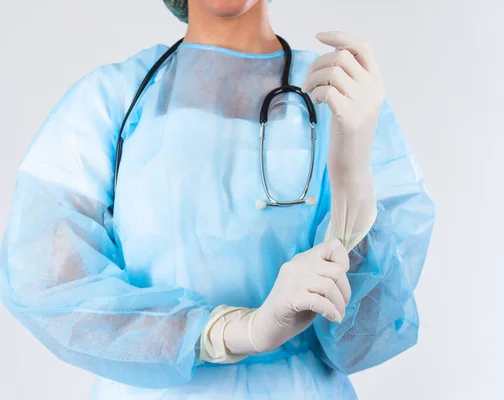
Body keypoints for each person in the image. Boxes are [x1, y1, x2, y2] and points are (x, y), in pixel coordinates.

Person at [0, 0, 435, 398]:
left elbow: (364, 337)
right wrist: (229, 331)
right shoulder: (111, 103)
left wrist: (352, 175)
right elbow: (53, 290)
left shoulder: (335, 95)